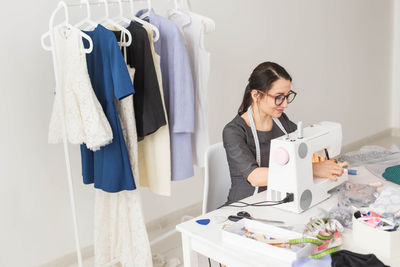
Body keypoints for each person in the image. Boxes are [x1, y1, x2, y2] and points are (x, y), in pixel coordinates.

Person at [223, 62, 345, 204]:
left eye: (287, 96)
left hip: (279, 197)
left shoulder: (281, 121)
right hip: (245, 205)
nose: (285, 104)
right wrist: (312, 169)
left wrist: (322, 159)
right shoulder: (234, 131)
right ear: (256, 95)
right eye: (279, 97)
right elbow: (255, 177)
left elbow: (303, 146)